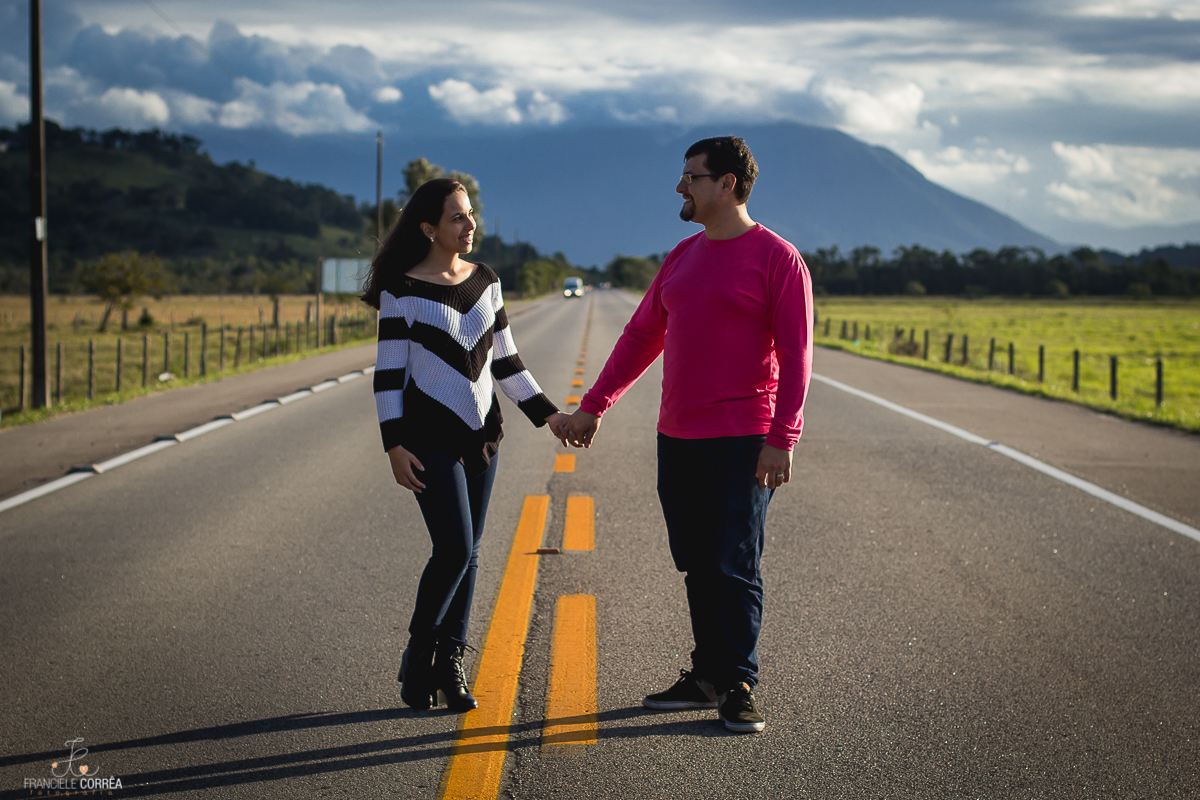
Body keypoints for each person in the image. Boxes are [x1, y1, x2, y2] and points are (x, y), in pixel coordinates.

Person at [564, 136, 813, 733]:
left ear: (727, 184)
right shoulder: (681, 256)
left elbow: (797, 356)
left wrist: (784, 437)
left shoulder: (778, 259)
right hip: (677, 438)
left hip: (743, 439)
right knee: (698, 563)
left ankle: (739, 683)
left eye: (692, 177)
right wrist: (594, 405)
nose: (681, 186)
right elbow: (641, 336)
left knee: (734, 563)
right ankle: (706, 676)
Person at [361, 177, 570, 712]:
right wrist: (393, 444)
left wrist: (551, 418)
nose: (469, 224)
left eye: (470, 214)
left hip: (482, 433)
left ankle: (451, 663)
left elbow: (506, 361)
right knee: (454, 547)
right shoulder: (401, 290)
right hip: (427, 438)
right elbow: (388, 375)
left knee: (471, 552)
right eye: (456, 217)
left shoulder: (486, 281)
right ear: (429, 228)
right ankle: (419, 651)